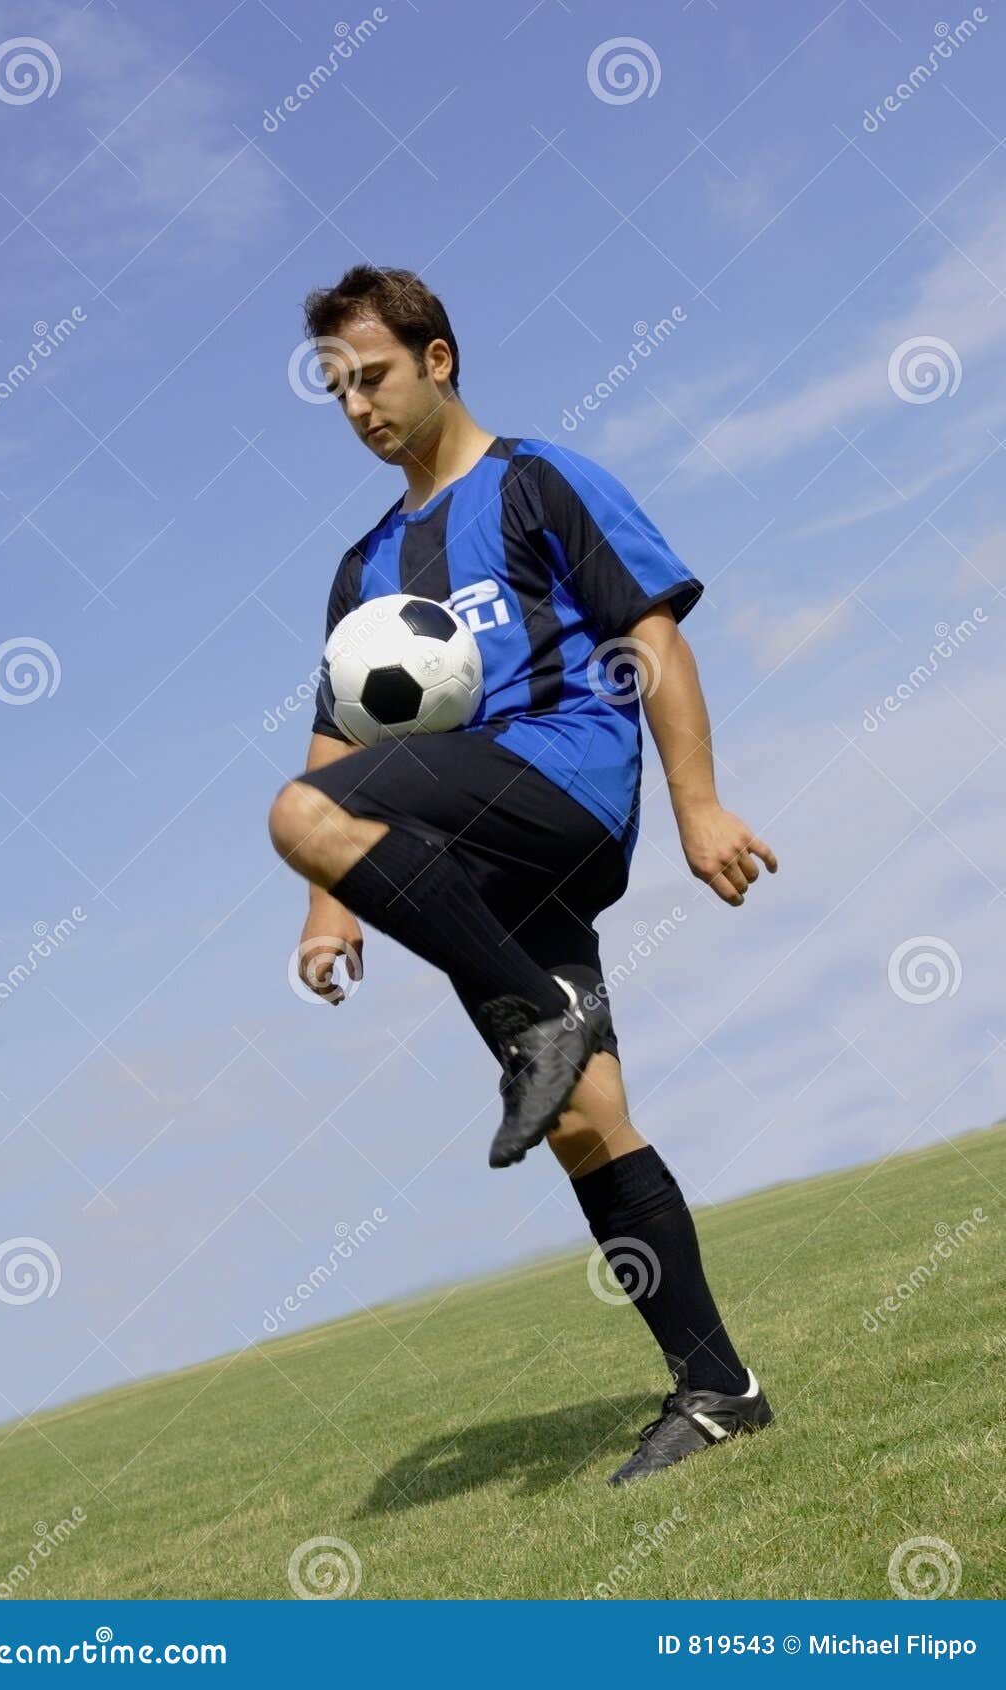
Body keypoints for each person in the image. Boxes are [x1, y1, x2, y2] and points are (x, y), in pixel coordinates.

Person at [268, 265, 778, 1484]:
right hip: (471, 871)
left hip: (564, 783)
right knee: (585, 1123)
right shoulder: (364, 568)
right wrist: (330, 905)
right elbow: (341, 735)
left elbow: (652, 636)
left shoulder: (539, 481)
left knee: (294, 814)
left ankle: (533, 1016)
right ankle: (720, 1389)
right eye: (338, 391)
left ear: (438, 359)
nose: (359, 407)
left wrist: (698, 803)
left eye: (374, 377)